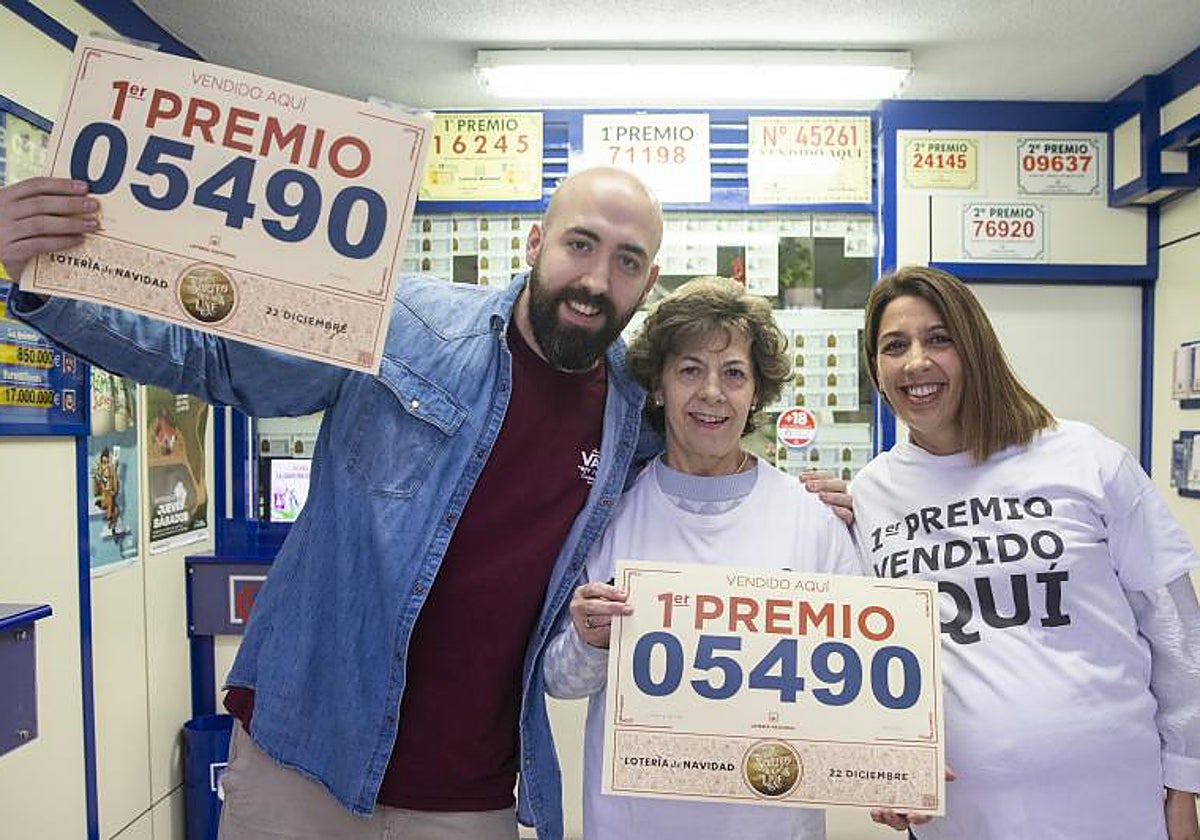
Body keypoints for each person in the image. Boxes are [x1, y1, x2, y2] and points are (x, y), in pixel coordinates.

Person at [0, 166, 665, 840]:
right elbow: (214, 358)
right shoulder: (401, 322)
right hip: (301, 760)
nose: (596, 280)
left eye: (626, 261)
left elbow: (712, 453)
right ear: (534, 242)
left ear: (650, 279)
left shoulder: (632, 418)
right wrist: (47, 281)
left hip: (470, 795)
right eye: (580, 245)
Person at [846, 265, 1200, 840]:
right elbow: (870, 658)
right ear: (876, 369)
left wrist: (1184, 783)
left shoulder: (1085, 458)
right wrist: (883, 766)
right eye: (895, 346)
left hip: (1114, 809)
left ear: (976, 348)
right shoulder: (870, 496)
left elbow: (1177, 629)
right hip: (962, 821)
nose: (916, 362)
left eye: (940, 339)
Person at [543, 277, 861, 840]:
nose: (712, 393)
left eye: (733, 374)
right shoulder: (605, 517)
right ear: (659, 387)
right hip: (632, 823)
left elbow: (857, 690)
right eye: (690, 370)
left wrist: (901, 770)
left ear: (756, 393)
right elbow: (559, 680)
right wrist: (590, 640)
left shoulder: (811, 521)